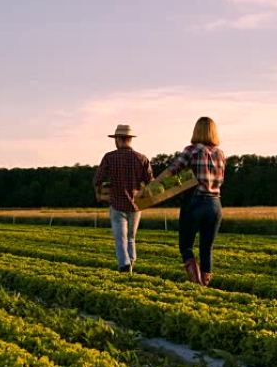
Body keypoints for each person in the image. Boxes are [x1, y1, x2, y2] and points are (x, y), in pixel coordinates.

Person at [155, 117, 225, 286]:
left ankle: (196, 283)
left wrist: (154, 185)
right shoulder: (220, 154)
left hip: (194, 202)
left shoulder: (191, 150)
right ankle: (205, 285)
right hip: (215, 204)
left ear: (196, 131)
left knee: (186, 245)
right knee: (206, 248)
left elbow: (172, 171)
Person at [93, 124, 154, 273]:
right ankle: (130, 263)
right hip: (136, 205)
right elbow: (151, 183)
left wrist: (102, 191)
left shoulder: (109, 157)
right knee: (131, 238)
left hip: (117, 204)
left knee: (120, 238)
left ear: (118, 139)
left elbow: (97, 180)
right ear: (130, 139)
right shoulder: (142, 158)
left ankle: (124, 265)